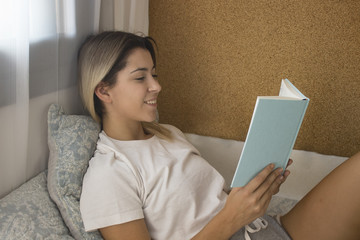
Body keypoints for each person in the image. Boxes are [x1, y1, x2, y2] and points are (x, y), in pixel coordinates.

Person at [78, 31, 360, 240]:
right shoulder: (109, 174)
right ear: (104, 91)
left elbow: (207, 204)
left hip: (268, 231)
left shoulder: (168, 135)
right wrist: (232, 215)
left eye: (154, 74)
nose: (157, 86)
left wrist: (256, 192)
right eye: (141, 78)